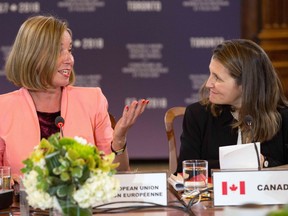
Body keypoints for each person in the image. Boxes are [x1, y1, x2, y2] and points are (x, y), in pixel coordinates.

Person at [0, 15, 149, 179]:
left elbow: (118, 173)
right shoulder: (3, 108)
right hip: (21, 204)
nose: (70, 59)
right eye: (58, 51)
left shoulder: (93, 100)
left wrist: (119, 139)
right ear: (32, 55)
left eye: (69, 50)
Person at [176, 39, 288, 175]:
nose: (208, 84)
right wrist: (240, 162)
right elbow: (185, 171)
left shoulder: (283, 118)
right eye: (210, 73)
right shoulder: (198, 114)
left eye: (217, 78)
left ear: (246, 85)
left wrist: (264, 162)